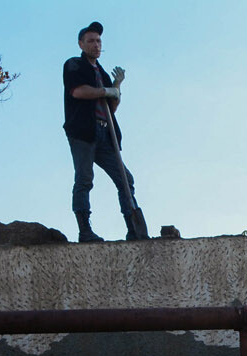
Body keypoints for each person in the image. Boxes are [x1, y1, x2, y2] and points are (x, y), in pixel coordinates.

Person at [62, 21, 147, 243]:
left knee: (125, 178)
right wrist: (105, 90)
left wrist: (116, 88)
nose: (96, 44)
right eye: (90, 41)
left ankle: (133, 228)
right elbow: (78, 92)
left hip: (105, 133)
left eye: (98, 41)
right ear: (81, 44)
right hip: (83, 133)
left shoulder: (103, 73)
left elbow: (111, 108)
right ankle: (85, 230)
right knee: (84, 178)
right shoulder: (74, 65)